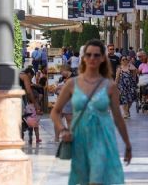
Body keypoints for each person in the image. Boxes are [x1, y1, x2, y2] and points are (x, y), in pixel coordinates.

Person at [51, 40, 132, 184]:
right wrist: (63, 130)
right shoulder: (72, 84)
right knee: (82, 179)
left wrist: (127, 144)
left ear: (102, 58)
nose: (92, 58)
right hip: (80, 138)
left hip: (103, 137)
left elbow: (118, 118)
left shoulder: (110, 86)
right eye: (88, 55)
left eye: (96, 55)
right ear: (83, 58)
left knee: (97, 176)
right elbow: (55, 111)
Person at [54, 65, 74, 143]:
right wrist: (56, 89)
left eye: (62, 72)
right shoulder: (61, 79)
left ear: (66, 70)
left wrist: (60, 87)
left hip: (69, 101)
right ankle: (56, 138)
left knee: (69, 120)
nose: (61, 74)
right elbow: (57, 89)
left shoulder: (74, 77)